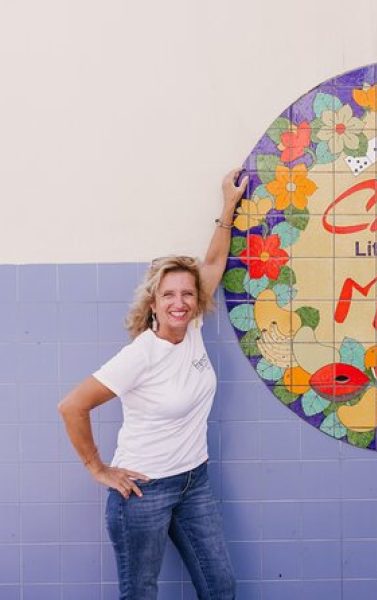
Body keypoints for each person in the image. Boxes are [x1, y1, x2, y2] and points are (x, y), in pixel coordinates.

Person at [58, 169, 249, 600]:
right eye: (169, 295)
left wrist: (228, 204)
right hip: (144, 493)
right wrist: (98, 468)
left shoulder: (194, 326)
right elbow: (72, 406)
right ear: (154, 303)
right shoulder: (140, 356)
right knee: (140, 593)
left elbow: (215, 262)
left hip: (193, 483)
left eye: (186, 293)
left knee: (220, 588)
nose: (179, 302)